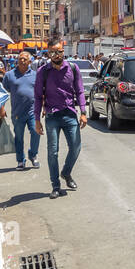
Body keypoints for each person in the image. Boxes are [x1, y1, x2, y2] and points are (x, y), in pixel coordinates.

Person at [34, 40, 87, 199]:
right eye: (52, 52)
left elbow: (80, 91)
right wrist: (37, 119)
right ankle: (55, 186)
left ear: (63, 52)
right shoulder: (43, 71)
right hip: (52, 116)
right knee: (53, 152)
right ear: (48, 54)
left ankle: (66, 172)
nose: (56, 55)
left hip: (70, 114)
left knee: (76, 147)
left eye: (59, 52)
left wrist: (83, 112)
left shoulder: (73, 68)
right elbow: (37, 97)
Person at [2, 51, 40, 170]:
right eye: (20, 59)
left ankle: (33, 155)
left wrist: (43, 107)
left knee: (36, 132)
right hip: (17, 112)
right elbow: (3, 92)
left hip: (32, 111)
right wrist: (2, 108)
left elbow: (40, 93)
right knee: (19, 137)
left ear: (30, 61)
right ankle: (20, 160)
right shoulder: (9, 75)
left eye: (24, 59)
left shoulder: (35, 75)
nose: (22, 61)